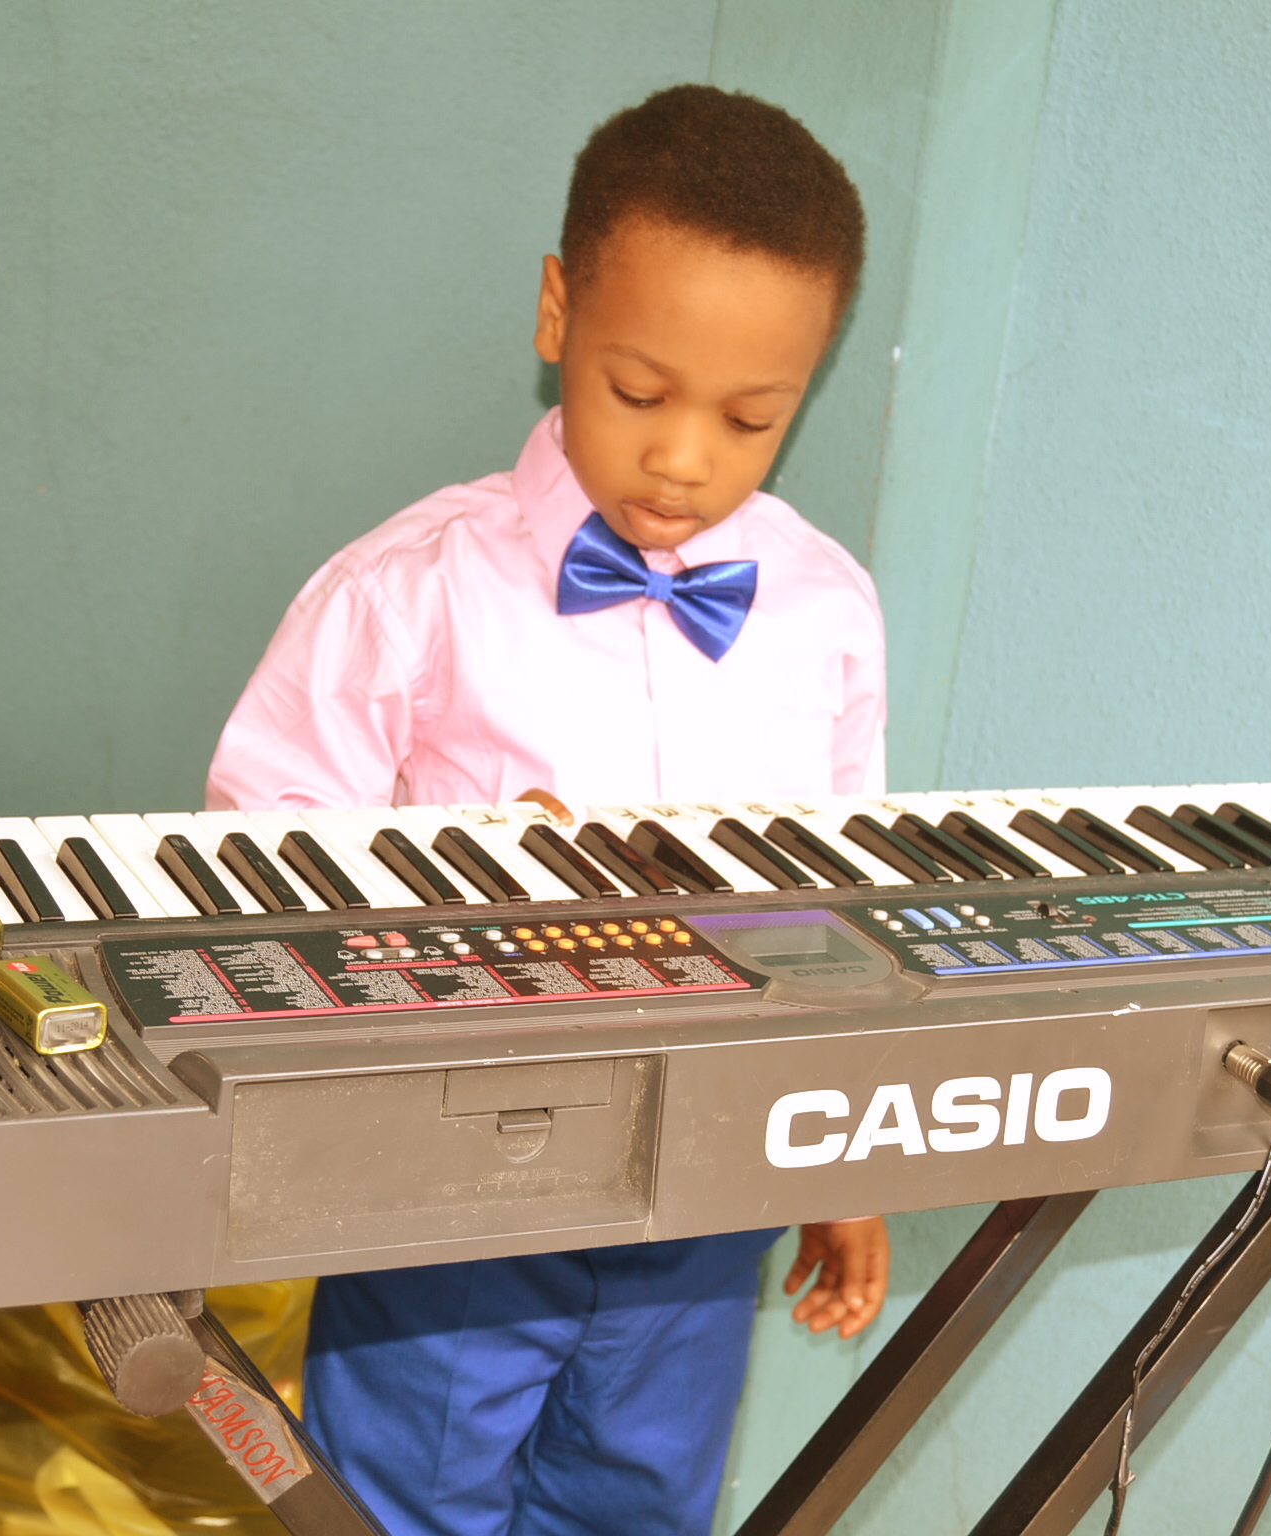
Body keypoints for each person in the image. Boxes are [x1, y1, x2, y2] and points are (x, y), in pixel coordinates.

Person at [207, 84, 890, 1536]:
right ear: (557, 313)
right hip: (456, 1180)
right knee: (401, 1503)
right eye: (640, 393)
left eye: (751, 418)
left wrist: (842, 1149)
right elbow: (258, 856)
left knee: (641, 1502)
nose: (685, 458)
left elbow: (837, 911)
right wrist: (439, 886)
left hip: (709, 1182)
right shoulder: (412, 589)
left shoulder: (828, 612)